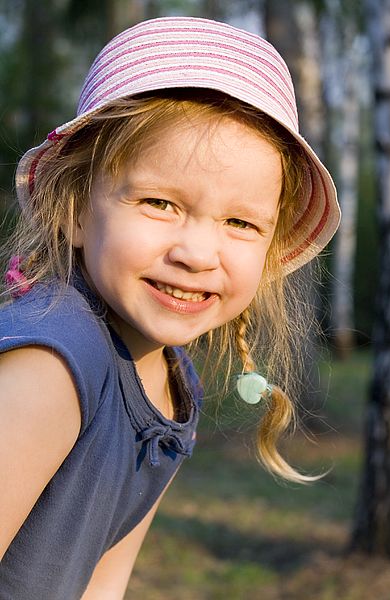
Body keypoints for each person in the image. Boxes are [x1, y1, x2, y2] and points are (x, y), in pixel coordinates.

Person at [0, 16, 340, 599]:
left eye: (239, 222)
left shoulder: (174, 382)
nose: (196, 253)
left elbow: (101, 585)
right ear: (77, 210)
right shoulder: (52, 360)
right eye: (160, 203)